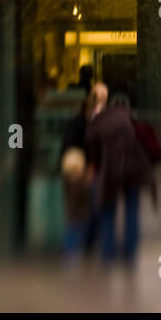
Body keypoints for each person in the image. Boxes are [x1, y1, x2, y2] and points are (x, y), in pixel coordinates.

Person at [85, 84, 151, 265]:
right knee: (132, 211)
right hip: (132, 169)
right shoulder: (130, 119)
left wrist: (95, 165)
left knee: (108, 210)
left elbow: (91, 143)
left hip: (110, 170)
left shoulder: (100, 121)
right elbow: (146, 140)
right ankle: (130, 252)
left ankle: (108, 251)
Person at [62, 82, 106, 256]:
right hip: (78, 173)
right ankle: (75, 250)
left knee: (84, 213)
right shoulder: (82, 122)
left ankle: (81, 249)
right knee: (79, 215)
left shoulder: (84, 121)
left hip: (83, 172)